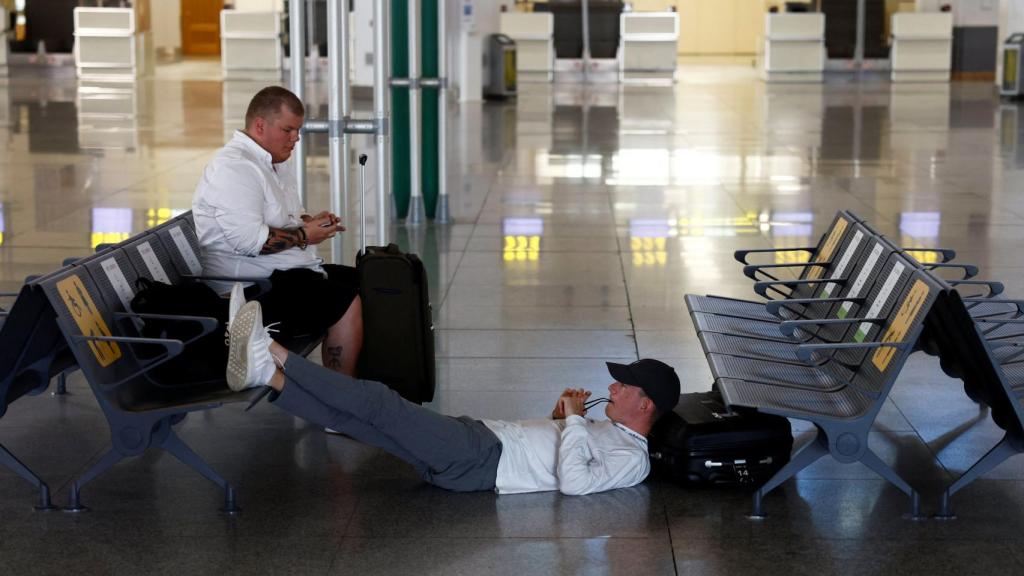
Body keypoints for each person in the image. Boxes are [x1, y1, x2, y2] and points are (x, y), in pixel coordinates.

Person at [224, 294, 682, 495]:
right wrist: (562, 414)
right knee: (358, 422)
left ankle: (274, 350)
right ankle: (268, 375)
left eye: (624, 385)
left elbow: (576, 484)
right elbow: (557, 451)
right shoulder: (614, 429)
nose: (612, 388)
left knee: (380, 402)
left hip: (481, 459)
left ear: (646, 406)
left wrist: (578, 421)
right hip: (480, 443)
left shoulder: (634, 461)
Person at [192, 86, 362, 375]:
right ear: (260, 125)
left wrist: (308, 222)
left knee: (364, 281)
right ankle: (340, 400)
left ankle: (356, 388)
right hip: (248, 291)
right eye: (288, 130)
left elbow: (283, 218)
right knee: (346, 301)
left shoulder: (272, 163)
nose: (295, 138)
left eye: (298, 130)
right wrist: (306, 235)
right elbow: (251, 242)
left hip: (277, 276)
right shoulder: (235, 169)